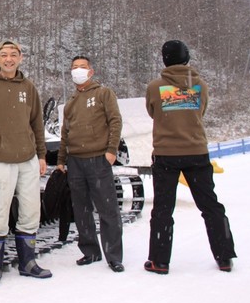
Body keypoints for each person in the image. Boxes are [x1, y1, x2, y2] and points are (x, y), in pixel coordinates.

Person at [144, 40, 236, 274]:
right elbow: (201, 112)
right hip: (196, 152)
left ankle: (160, 261)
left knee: (163, 209)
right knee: (211, 206)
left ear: (164, 60)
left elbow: (153, 112)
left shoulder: (155, 87)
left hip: (166, 154)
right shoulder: (201, 86)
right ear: (187, 58)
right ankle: (224, 256)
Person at [0, 40, 51, 287]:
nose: (9, 59)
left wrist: (41, 154)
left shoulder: (28, 87)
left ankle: (28, 262)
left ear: (21, 58)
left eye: (13, 55)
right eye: (4, 55)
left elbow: (37, 123)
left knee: (30, 212)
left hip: (27, 159)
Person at [56, 56, 124, 273]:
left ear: (91, 71)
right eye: (74, 68)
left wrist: (111, 151)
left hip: (98, 159)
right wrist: (61, 159)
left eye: (82, 67)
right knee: (81, 209)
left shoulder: (103, 94)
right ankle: (90, 250)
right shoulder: (71, 103)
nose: (78, 71)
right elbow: (65, 132)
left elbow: (115, 120)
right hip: (75, 160)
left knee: (107, 209)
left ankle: (113, 255)